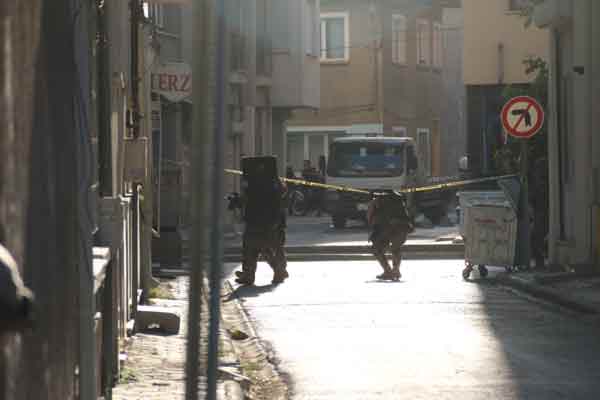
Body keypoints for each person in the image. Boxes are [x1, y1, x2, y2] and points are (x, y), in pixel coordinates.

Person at [234, 156, 289, 286]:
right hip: (272, 220)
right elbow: (282, 194)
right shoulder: (275, 181)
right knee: (268, 247)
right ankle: (278, 271)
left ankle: (250, 274)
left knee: (252, 248)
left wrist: (237, 200)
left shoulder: (251, 182)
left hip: (256, 219)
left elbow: (245, 199)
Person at [367, 192, 414, 281]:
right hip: (401, 227)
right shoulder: (399, 199)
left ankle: (389, 271)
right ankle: (395, 270)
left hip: (387, 228)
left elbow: (370, 216)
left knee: (377, 249)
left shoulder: (377, 200)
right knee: (396, 248)